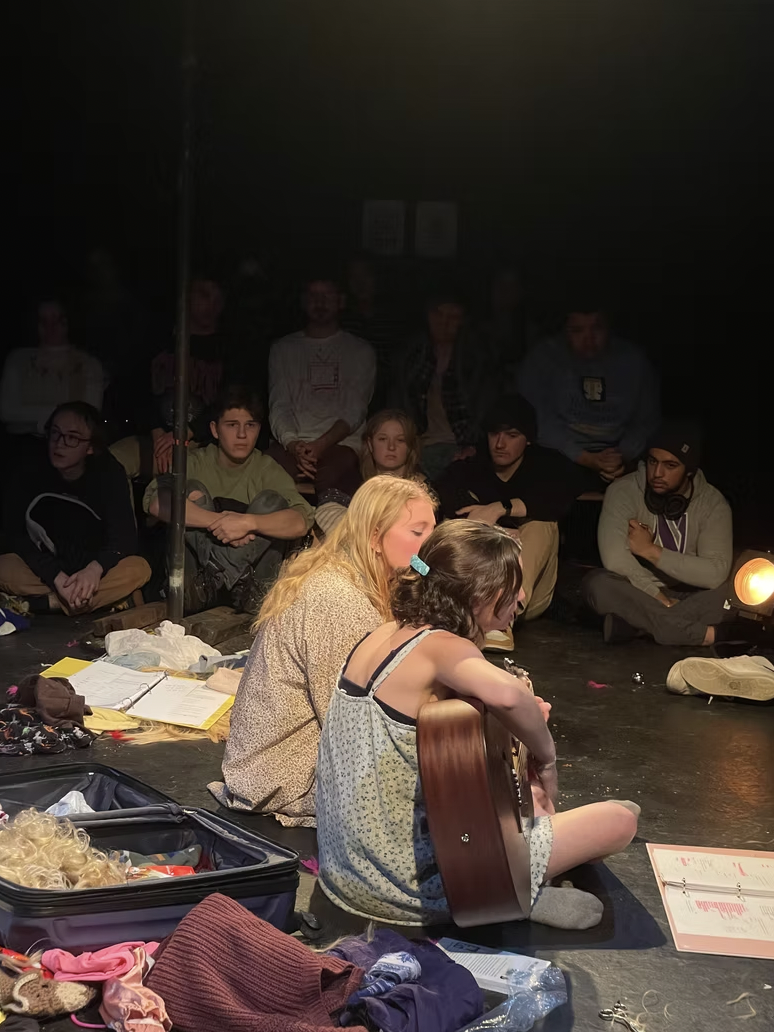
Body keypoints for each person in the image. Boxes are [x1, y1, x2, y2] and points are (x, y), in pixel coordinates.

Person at [316, 520, 639, 929]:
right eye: (515, 584)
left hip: (343, 876)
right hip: (411, 888)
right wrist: (547, 757)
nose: (522, 597)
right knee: (622, 817)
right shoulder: (441, 647)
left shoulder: (381, 635)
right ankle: (514, 895)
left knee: (539, 807)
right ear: (485, 595)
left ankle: (530, 869)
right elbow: (508, 695)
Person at [208, 476, 435, 827]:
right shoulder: (338, 600)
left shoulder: (365, 578)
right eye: (417, 533)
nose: (428, 545)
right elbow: (351, 720)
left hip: (302, 758)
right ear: (375, 537)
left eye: (431, 532)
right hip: (282, 777)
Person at [144, 385, 314, 614]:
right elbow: (156, 503)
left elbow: (300, 521)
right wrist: (217, 521)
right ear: (215, 430)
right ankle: (219, 576)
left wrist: (248, 523)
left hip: (251, 592)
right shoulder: (195, 462)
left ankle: (221, 574)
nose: (242, 435)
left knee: (271, 502)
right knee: (191, 490)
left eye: (250, 426)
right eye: (232, 425)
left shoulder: (267, 469)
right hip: (196, 589)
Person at [435, 395, 588, 621]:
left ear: (527, 439)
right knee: (455, 525)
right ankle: (476, 611)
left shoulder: (547, 465)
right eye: (494, 434)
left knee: (541, 523)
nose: (500, 443)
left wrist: (500, 508)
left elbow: (559, 498)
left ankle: (504, 614)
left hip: (527, 594)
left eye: (512, 435)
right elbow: (444, 493)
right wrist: (497, 531)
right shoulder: (473, 467)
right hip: (478, 588)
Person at [582, 421, 733, 646]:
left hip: (692, 595)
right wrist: (660, 599)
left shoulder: (713, 504)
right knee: (597, 584)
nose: (657, 473)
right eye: (653, 462)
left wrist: (651, 551)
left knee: (733, 594)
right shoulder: (623, 491)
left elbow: (714, 574)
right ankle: (698, 634)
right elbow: (616, 561)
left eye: (670, 465)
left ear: (689, 471)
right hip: (637, 592)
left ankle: (636, 627)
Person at [0, 402, 150, 614]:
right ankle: (81, 601)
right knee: (4, 566)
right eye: (55, 433)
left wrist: (94, 569)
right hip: (46, 569)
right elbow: (15, 535)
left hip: (92, 569)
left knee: (139, 568)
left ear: (90, 447)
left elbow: (124, 537)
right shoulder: (30, 467)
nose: (59, 444)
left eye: (72, 438)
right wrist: (55, 577)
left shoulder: (108, 472)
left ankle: (48, 604)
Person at [519, 303, 659, 488]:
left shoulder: (632, 360)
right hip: (560, 455)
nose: (589, 339)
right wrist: (586, 458)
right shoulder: (544, 358)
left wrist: (620, 456)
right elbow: (539, 420)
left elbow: (646, 420)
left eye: (597, 328)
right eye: (577, 330)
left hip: (621, 458)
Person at [268, 275, 376, 499]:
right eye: (313, 296)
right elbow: (279, 404)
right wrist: (293, 444)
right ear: (304, 301)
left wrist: (320, 445)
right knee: (268, 473)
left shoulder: (359, 351)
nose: (320, 302)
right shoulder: (283, 349)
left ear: (341, 301)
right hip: (293, 443)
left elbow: (355, 409)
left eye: (327, 296)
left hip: (341, 445)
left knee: (335, 479)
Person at [392, 292, 486, 481]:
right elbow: (398, 404)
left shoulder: (476, 359)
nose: (444, 322)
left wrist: (476, 446)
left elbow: (487, 408)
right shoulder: (413, 357)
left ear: (463, 321)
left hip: (462, 448)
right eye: (438, 314)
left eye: (453, 317)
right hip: (420, 448)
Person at [147, 274, 229, 475]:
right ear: (185, 296)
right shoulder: (158, 341)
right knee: (114, 462)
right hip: (154, 436)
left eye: (218, 298)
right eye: (204, 294)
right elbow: (138, 393)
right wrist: (157, 434)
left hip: (199, 440)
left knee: (180, 470)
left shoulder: (228, 349)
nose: (212, 304)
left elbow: (227, 403)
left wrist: (187, 432)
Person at [0, 300, 105, 437]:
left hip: (69, 444)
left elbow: (90, 413)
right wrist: (60, 412)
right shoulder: (17, 360)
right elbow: (7, 411)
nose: (50, 327)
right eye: (43, 321)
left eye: (58, 320)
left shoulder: (89, 365)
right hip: (21, 444)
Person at [340, 255, 405, 414]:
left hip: (385, 397)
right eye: (353, 277)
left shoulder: (394, 318)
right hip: (344, 397)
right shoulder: (340, 319)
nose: (360, 283)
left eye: (365, 275)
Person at [360, 409, 425, 483]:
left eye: (400, 440)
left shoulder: (424, 491)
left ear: (410, 446)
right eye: (383, 439)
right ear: (370, 444)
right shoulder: (357, 488)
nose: (391, 447)